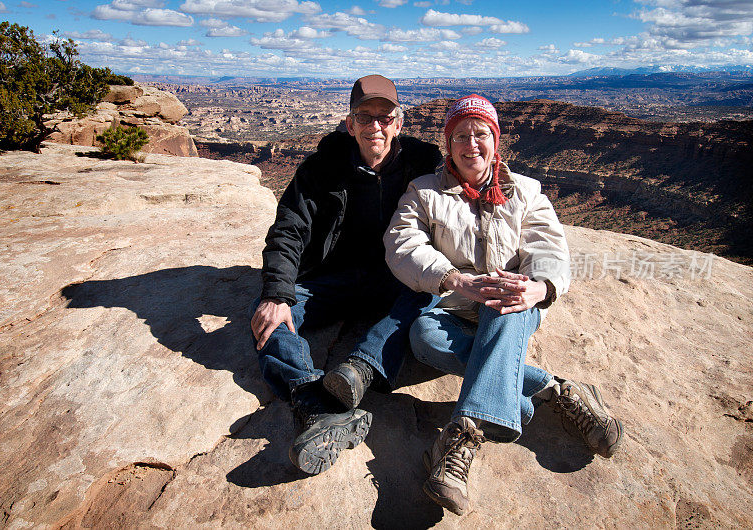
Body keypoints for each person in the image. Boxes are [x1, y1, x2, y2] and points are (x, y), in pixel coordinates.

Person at [384, 94, 624, 515]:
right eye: (461, 135)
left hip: (513, 305)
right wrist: (453, 278)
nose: (471, 143)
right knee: (423, 337)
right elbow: (401, 244)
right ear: (448, 143)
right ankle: (557, 391)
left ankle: (462, 434)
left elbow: (549, 247)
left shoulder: (526, 191)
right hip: (455, 306)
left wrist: (541, 287)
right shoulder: (424, 192)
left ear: (496, 140)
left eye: (480, 134)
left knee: (507, 298)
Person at [250, 75, 442, 475]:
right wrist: (277, 292)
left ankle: (358, 370)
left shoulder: (421, 165)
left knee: (428, 294)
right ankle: (314, 402)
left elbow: (468, 191)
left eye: (385, 117)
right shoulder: (321, 168)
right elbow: (288, 229)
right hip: (330, 279)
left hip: (392, 278)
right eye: (364, 117)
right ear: (350, 123)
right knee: (270, 315)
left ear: (399, 123)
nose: (376, 126)